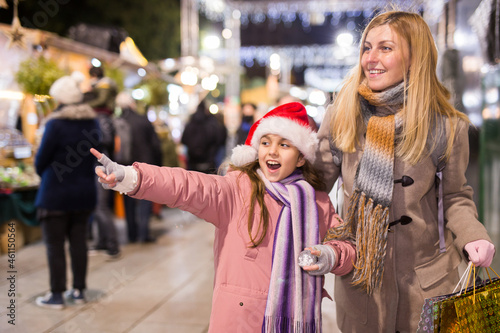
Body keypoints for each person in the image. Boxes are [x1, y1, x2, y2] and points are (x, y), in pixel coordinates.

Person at [91, 102, 356, 332]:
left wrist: (330, 255)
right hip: (240, 319)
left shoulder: (315, 201)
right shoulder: (238, 188)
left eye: (284, 145)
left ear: (301, 158)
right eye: (266, 143)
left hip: (294, 320)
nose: (272, 152)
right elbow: (187, 185)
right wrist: (132, 177)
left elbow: (346, 245)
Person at [314, 10, 496, 332]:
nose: (371, 58)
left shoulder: (446, 125)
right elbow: (313, 188)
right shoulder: (342, 115)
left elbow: (456, 196)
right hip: (363, 284)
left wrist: (474, 236)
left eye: (386, 48)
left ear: (415, 56)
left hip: (428, 285)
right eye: (367, 48)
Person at [34, 73, 100, 309]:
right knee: (79, 243)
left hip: (55, 195)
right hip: (84, 193)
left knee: (55, 246)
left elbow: (41, 160)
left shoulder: (55, 124)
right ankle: (80, 291)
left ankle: (57, 295)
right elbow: (98, 155)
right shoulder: (92, 123)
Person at [115, 92, 162, 243]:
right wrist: (158, 164)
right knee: (145, 198)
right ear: (132, 104)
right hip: (145, 166)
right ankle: (144, 232)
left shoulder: (117, 122)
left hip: (124, 166)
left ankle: (132, 234)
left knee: (128, 198)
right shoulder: (143, 120)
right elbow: (155, 144)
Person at [84, 66, 121, 259]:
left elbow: (104, 141)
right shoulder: (101, 116)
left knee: (101, 206)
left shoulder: (103, 117)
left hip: (101, 166)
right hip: (98, 165)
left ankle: (112, 245)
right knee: (97, 206)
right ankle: (101, 242)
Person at [181, 101, 226, 174]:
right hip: (209, 164)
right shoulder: (212, 124)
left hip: (193, 164)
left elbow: (183, 140)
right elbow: (219, 141)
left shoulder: (190, 124)